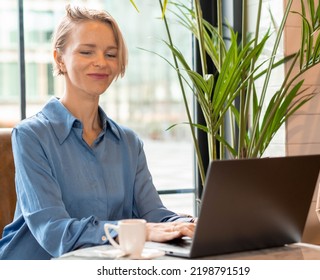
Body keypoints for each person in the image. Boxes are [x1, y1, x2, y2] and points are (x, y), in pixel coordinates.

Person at [0, 5, 195, 260]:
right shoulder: (31, 136)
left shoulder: (128, 142)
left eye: (111, 54)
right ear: (59, 58)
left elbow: (155, 215)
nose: (101, 62)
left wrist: (189, 223)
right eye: (86, 51)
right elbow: (53, 231)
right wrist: (138, 231)